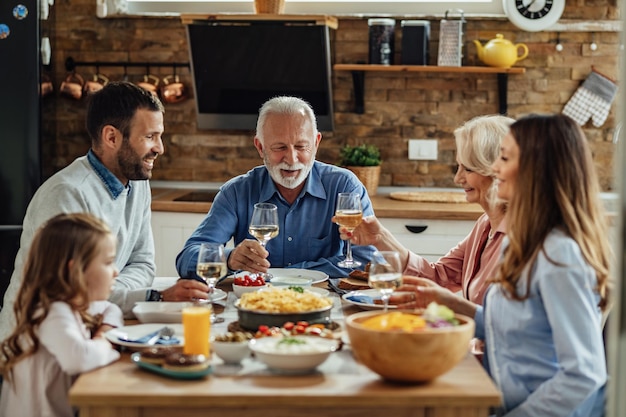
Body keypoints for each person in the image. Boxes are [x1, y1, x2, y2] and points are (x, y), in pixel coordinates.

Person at [402, 114, 610, 416]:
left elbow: (584, 374)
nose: (495, 167)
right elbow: (518, 327)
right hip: (498, 401)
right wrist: (449, 302)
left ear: (537, 170)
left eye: (504, 158)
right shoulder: (523, 240)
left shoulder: (560, 255)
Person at [0, 81, 208, 341]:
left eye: (159, 135)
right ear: (111, 137)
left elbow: (143, 265)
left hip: (93, 332)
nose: (160, 148)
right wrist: (149, 297)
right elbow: (71, 294)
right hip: (34, 349)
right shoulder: (67, 194)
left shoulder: (137, 183)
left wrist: (108, 293)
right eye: (149, 136)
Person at [176, 96, 376, 279]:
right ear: (260, 147)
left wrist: (293, 274)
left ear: (316, 143)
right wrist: (229, 258)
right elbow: (187, 259)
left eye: (301, 147)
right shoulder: (236, 192)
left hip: (323, 302)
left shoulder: (344, 186)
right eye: (279, 148)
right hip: (257, 303)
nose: (291, 159)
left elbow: (367, 261)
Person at [338, 114, 514, 304]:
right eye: (458, 166)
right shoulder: (485, 225)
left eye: (468, 169)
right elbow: (438, 277)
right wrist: (380, 237)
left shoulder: (521, 237)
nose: (457, 178)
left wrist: (450, 304)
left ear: (497, 171)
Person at [0, 213, 124, 417]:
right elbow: (78, 358)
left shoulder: (72, 304)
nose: (116, 271)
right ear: (75, 270)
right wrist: (107, 342)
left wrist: (104, 331)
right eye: (108, 262)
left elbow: (112, 309)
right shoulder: (51, 311)